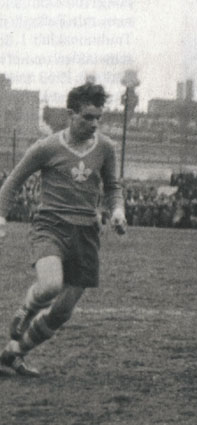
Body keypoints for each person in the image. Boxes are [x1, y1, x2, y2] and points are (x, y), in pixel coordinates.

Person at [0, 82, 126, 376]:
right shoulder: (46, 147)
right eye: (87, 117)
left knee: (62, 311)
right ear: (71, 114)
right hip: (51, 226)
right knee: (50, 285)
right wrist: (1, 218)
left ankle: (14, 354)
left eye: (98, 118)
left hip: (87, 233)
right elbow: (12, 183)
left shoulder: (106, 148)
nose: (94, 124)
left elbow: (113, 187)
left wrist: (117, 211)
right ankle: (27, 310)